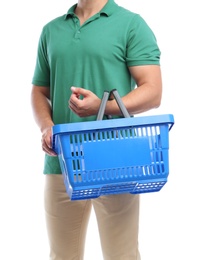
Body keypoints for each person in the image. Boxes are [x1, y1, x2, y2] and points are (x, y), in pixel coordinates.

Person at [31, 0, 162, 259]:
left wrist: (104, 106)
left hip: (115, 161)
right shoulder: (51, 30)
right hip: (62, 161)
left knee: (121, 255)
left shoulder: (130, 24)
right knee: (61, 256)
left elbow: (153, 91)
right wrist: (47, 126)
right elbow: (38, 91)